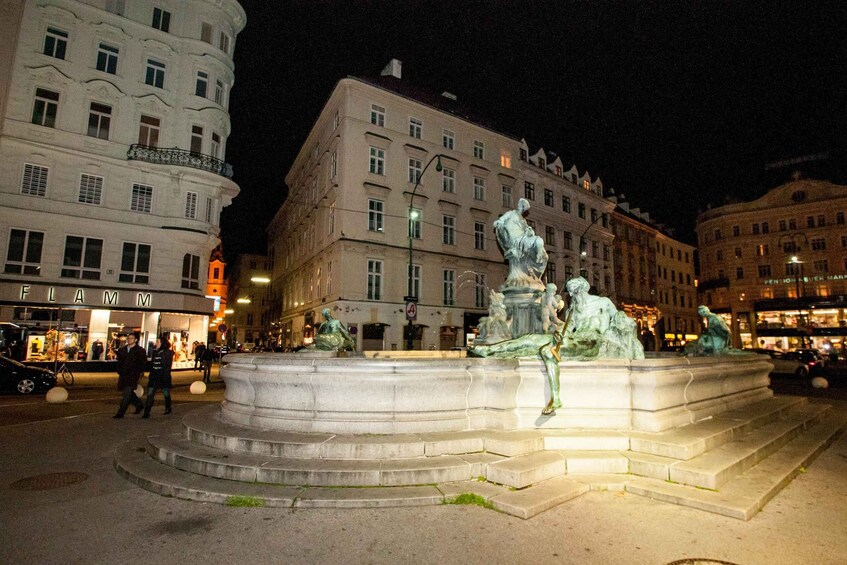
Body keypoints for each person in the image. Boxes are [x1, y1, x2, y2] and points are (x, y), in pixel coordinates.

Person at [493, 197, 549, 290]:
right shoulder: (511, 214)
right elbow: (500, 220)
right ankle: (526, 273)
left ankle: (534, 269)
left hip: (523, 238)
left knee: (542, 250)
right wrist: (498, 223)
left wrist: (529, 230)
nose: (524, 209)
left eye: (525, 208)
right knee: (536, 242)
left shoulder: (524, 220)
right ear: (520, 206)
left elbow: (526, 229)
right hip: (514, 240)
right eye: (524, 207)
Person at [114, 331, 146, 419]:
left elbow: (142, 363)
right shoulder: (122, 350)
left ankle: (121, 412)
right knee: (128, 392)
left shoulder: (140, 351)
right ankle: (139, 405)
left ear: (135, 340)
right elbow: (119, 362)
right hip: (123, 375)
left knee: (127, 394)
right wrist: (119, 370)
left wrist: (139, 372)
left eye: (131, 338)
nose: (129, 340)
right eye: (128, 338)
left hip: (133, 375)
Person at [143, 337, 173, 418]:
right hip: (154, 375)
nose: (156, 343)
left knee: (166, 392)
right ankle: (147, 411)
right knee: (150, 393)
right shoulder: (155, 352)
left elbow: (168, 365)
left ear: (162, 343)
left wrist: (165, 374)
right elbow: (153, 363)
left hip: (163, 376)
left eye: (158, 342)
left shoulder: (168, 352)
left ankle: (168, 407)